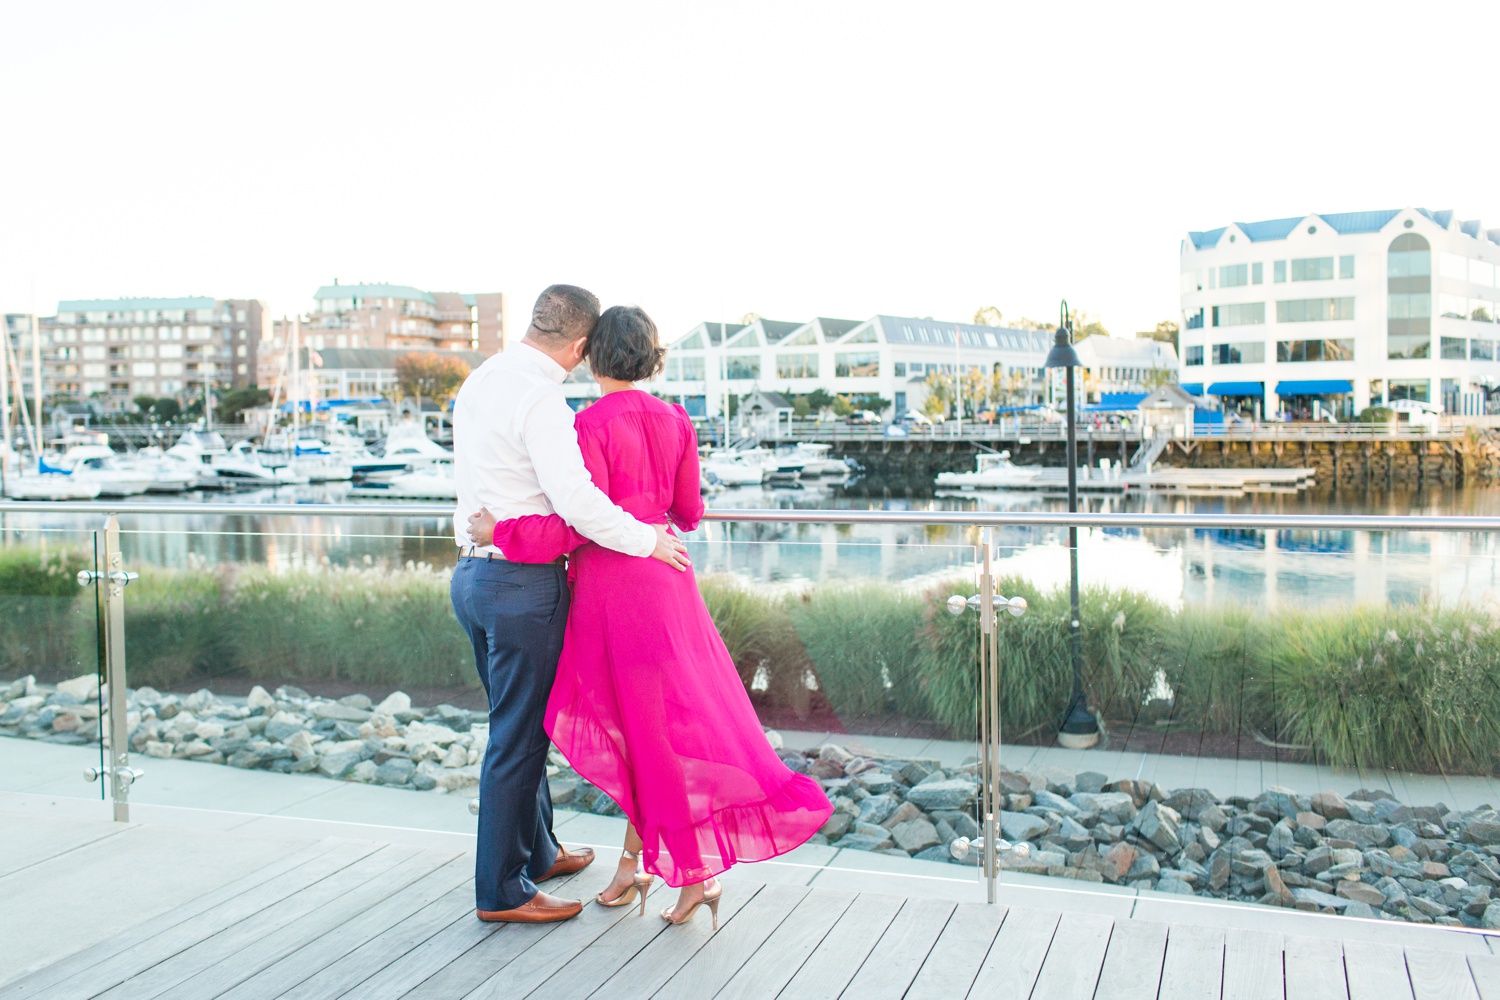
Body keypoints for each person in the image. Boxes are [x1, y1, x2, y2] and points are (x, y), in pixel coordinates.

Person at [467, 305, 832, 929]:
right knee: (654, 729)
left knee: (639, 735)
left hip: (615, 590)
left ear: (593, 356)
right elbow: (687, 511)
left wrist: (503, 530)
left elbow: (579, 523)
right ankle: (638, 865)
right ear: (653, 358)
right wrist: (653, 514)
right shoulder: (677, 420)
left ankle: (689, 875)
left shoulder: (587, 424)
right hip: (668, 579)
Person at [449, 285, 691, 925]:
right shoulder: (544, 401)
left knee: (521, 721)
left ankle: (542, 850)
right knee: (520, 739)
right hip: (523, 585)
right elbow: (580, 508)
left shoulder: (481, 380)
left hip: (472, 580)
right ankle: (502, 890)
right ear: (582, 346)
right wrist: (649, 540)